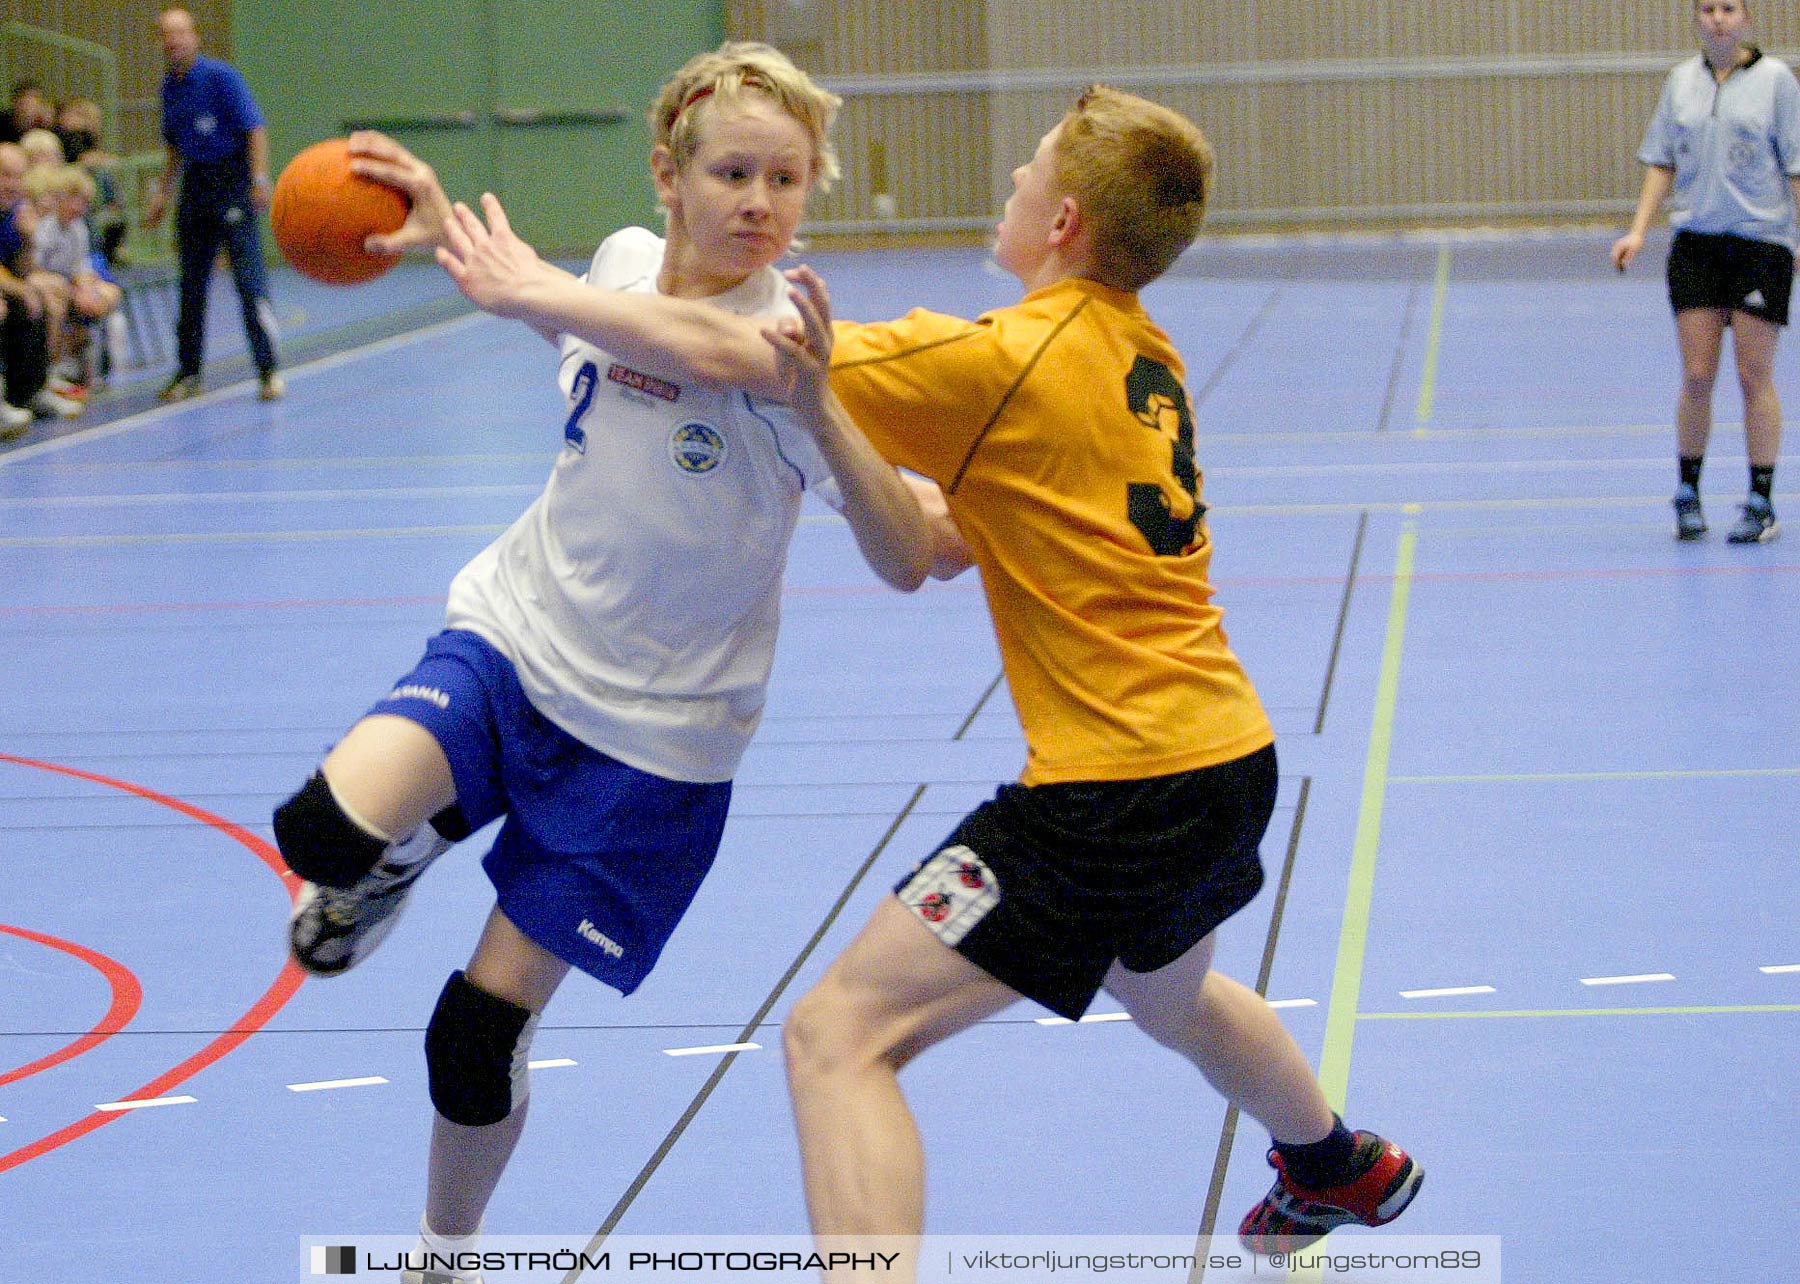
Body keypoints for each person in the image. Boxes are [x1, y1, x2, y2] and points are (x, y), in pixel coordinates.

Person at [458, 81, 1423, 1268]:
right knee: (1166, 991)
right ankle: (1336, 1161)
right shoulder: (1141, 351)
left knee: (836, 1037)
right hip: (1224, 758)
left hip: (1110, 790)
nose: (1011, 182)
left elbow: (740, 352)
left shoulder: (1004, 360)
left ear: (1063, 220)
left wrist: (531, 293)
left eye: (1030, 169)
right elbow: (931, 527)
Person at [270, 43, 956, 1284]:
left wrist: (828, 419)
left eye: (788, 179)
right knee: (319, 833)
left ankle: (443, 1256)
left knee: (472, 1040)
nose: (760, 199)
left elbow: (895, 539)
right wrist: (458, 247)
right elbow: (622, 327)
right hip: (514, 643)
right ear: (667, 176)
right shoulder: (623, 268)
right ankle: (394, 864)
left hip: (655, 749)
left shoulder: (782, 348)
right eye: (734, 171)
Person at [1611, 0, 1794, 544]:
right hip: (1697, 245)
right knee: (1697, 373)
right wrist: (1640, 230)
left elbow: (1797, 162)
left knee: (1751, 375)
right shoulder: (1680, 82)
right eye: (1709, 9)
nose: (1718, 18)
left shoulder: (1777, 82)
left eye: (1729, 9)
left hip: (1760, 243)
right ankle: (1687, 492)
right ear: (1696, 18)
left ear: (1747, 18)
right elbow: (1662, 160)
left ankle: (1760, 500)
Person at [143, 7, 283, 403]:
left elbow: (254, 127)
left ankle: (269, 370)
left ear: (195, 37)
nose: (175, 41)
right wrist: (163, 195)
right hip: (196, 186)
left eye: (182, 33)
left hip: (232, 181)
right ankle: (188, 372)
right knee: (190, 286)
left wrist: (258, 178)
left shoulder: (221, 77)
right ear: (161, 42)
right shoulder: (169, 86)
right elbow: (174, 147)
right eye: (167, 35)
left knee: (249, 283)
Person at [0, 142, 83, 431]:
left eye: (17, 177)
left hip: (7, 284)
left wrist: (27, 239)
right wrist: (18, 287)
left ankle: (31, 390)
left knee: (42, 295)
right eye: (4, 175)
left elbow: (23, 269)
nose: (11, 184)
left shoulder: (15, 212)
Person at [32, 164, 123, 394]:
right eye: (76, 200)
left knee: (104, 295)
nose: (80, 207)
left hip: (70, 283)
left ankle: (90, 367)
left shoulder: (79, 229)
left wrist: (86, 283)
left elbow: (81, 265)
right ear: (61, 198)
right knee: (58, 302)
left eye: (84, 201)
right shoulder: (45, 229)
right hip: (47, 285)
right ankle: (50, 369)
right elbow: (34, 267)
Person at [0, 81, 53, 147]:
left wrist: (47, 125)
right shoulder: (4, 122)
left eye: (38, 100)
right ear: (16, 102)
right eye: (30, 100)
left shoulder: (43, 122)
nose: (36, 105)